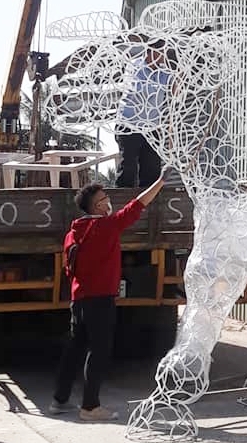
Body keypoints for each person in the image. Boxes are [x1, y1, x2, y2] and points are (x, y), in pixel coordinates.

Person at [50, 172, 167, 420]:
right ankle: (90, 407)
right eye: (105, 199)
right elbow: (137, 205)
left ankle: (59, 400)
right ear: (97, 206)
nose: (108, 202)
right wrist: (160, 182)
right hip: (100, 298)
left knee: (75, 349)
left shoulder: (73, 233)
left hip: (79, 299)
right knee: (99, 351)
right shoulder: (105, 227)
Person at [115, 38, 173, 188]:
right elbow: (140, 89)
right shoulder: (135, 66)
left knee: (152, 169)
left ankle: (149, 201)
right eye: (162, 52)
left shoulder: (164, 72)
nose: (164, 56)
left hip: (151, 127)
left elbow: (175, 89)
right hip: (129, 124)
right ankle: (122, 199)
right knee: (128, 168)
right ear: (151, 51)